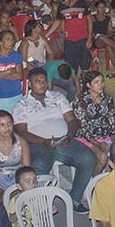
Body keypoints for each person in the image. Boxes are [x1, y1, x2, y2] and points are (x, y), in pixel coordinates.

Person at [12, 66, 97, 212]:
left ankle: (74, 199)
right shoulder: (22, 104)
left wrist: (69, 136)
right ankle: (41, 204)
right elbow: (21, 131)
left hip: (64, 139)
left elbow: (72, 120)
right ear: (30, 84)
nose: (42, 84)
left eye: (44, 81)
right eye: (37, 81)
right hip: (38, 143)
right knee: (38, 167)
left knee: (88, 158)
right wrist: (43, 141)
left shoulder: (57, 97)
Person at [73, 70, 115, 171]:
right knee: (102, 157)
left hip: (104, 135)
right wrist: (98, 144)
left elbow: (111, 119)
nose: (100, 85)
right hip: (86, 137)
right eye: (96, 82)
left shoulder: (107, 98)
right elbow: (83, 127)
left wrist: (113, 137)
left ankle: (114, 182)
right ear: (88, 85)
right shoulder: (80, 100)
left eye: (102, 81)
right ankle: (93, 184)